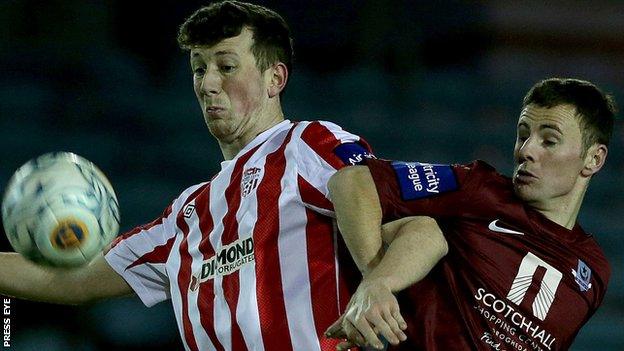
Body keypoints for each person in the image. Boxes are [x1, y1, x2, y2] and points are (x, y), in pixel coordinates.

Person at [0, 1, 380, 350]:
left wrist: (377, 280)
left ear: (275, 79)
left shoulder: (309, 145)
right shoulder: (186, 216)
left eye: (226, 67)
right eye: (200, 68)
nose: (207, 83)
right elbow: (74, 278)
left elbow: (398, 214)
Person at [325, 78, 615, 350]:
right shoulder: (480, 190)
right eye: (523, 135)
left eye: (549, 141)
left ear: (594, 158)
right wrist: (374, 284)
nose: (526, 151)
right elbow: (353, 181)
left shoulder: (593, 272)